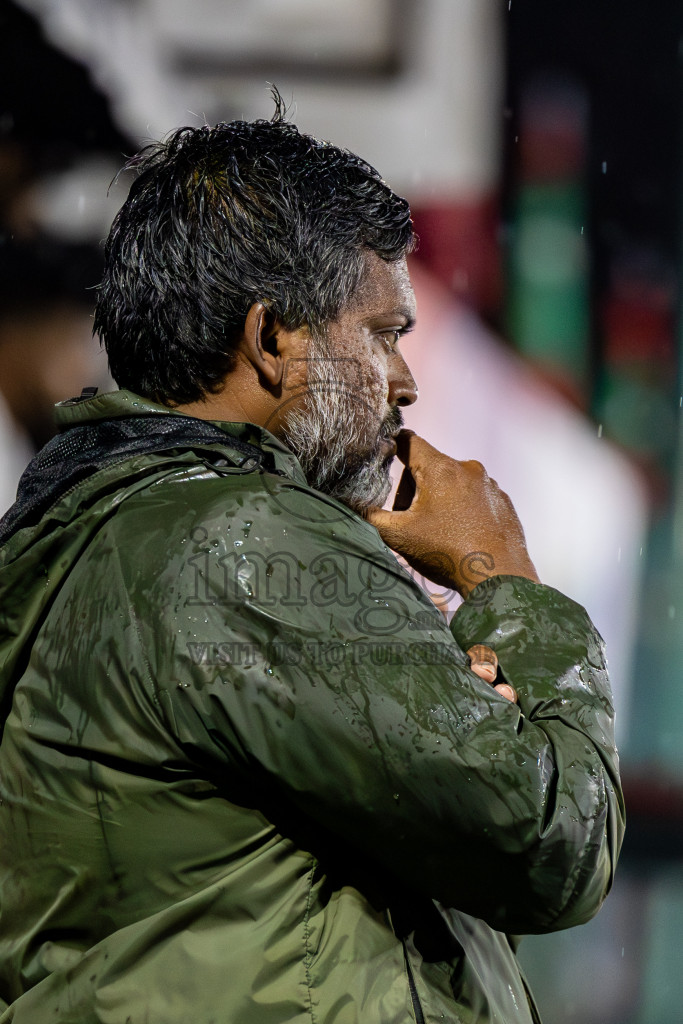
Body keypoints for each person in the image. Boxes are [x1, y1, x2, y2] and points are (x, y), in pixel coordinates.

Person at [0, 101, 624, 1024]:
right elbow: (546, 837)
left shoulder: (101, 532)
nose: (405, 381)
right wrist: (501, 577)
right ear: (272, 341)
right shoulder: (244, 540)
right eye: (381, 333)